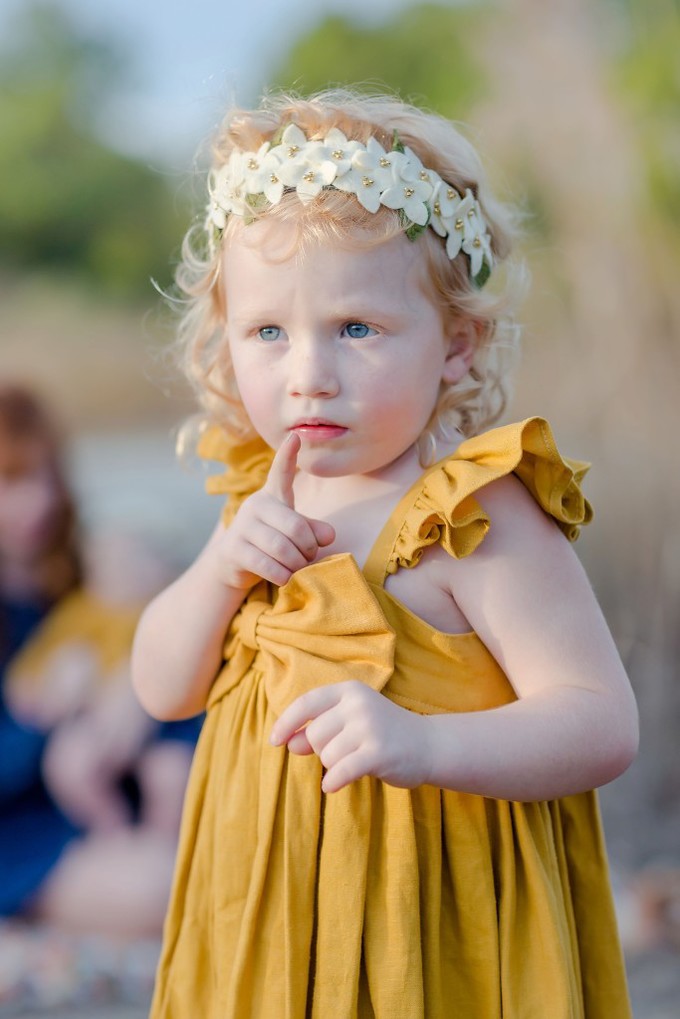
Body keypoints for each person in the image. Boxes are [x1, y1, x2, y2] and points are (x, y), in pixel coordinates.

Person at [132, 90, 639, 1017]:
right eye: (269, 331)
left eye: (356, 329)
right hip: (265, 922)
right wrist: (218, 573)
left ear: (457, 343)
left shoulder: (471, 517)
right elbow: (162, 686)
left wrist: (425, 740)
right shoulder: (257, 501)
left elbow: (601, 722)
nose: (307, 372)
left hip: (430, 922)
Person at [0, 385, 198, 937]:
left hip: (116, 812)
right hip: (22, 840)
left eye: (45, 477)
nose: (36, 502)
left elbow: (186, 709)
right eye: (13, 481)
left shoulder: (96, 580)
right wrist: (39, 717)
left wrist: (139, 698)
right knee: (166, 888)